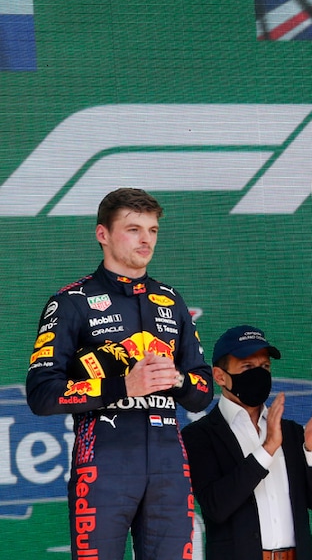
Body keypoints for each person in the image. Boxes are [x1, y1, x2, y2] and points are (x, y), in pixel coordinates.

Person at [25, 187, 214, 559]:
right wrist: (123, 385)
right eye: (133, 229)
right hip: (104, 463)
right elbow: (42, 394)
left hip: (169, 465)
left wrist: (176, 380)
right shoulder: (71, 302)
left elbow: (204, 389)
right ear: (103, 234)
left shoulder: (171, 299)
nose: (146, 239)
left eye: (153, 230)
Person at [182, 325, 312, 560]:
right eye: (247, 367)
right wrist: (267, 450)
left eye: (265, 366)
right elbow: (216, 507)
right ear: (219, 376)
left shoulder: (293, 433)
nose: (259, 374)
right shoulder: (200, 435)